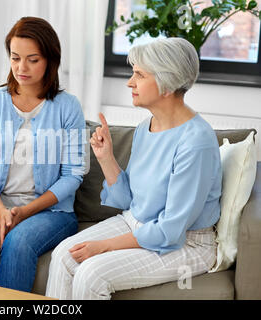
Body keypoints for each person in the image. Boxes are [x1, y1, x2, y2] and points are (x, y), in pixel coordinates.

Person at [46, 37, 222, 300]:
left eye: (139, 74)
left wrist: (104, 247)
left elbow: (170, 230)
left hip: (186, 241)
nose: (130, 82)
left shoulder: (196, 142)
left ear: (166, 83)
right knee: (63, 255)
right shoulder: (145, 127)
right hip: (137, 222)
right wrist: (106, 157)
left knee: (91, 274)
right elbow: (128, 200)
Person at [0, 17, 86, 292]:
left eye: (32, 59)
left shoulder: (68, 107)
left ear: (50, 60)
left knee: (19, 242)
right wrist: (2, 211)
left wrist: (24, 212)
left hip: (52, 212)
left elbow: (73, 175)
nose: (21, 67)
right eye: (15, 58)